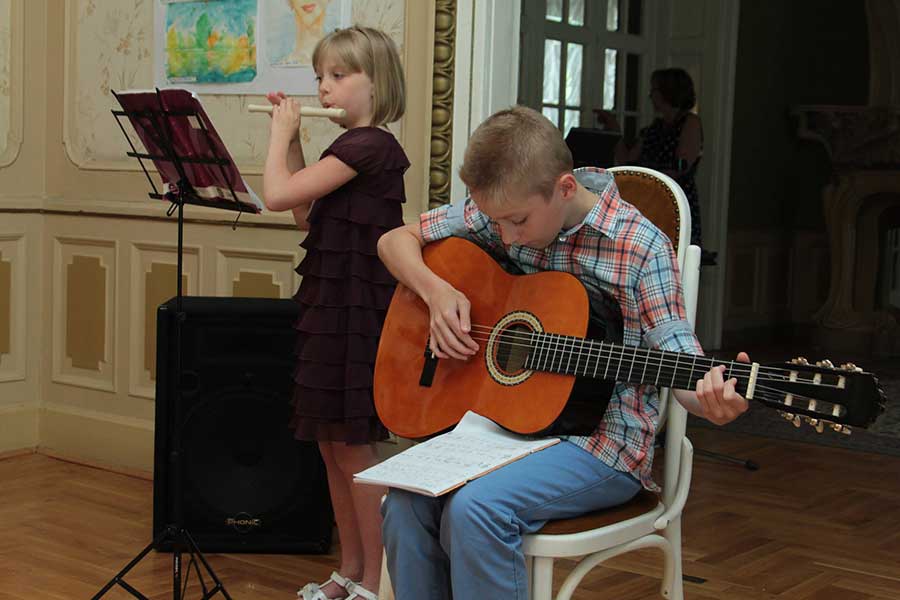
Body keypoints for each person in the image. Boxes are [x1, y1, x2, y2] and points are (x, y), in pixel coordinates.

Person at [376, 106, 748, 599]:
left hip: (602, 444)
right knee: (405, 502)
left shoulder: (640, 247)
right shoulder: (504, 206)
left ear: (565, 188)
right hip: (499, 429)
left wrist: (711, 399)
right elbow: (394, 241)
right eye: (496, 222)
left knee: (476, 509)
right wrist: (436, 292)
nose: (505, 236)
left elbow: (678, 355)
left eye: (517, 222)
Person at [262, 25, 408, 600]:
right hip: (330, 304)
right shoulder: (344, 149)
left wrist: (279, 135)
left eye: (339, 75)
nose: (324, 87)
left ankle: (375, 580)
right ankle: (349, 571)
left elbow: (276, 196)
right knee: (330, 445)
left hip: (358, 312)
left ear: (376, 83)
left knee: (352, 447)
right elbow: (304, 213)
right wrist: (295, 144)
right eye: (320, 76)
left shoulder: (370, 146)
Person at [600, 68, 706, 254]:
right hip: (646, 198)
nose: (651, 96)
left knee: (673, 252)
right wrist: (614, 129)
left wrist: (650, 179)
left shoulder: (690, 122)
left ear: (668, 91)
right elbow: (627, 160)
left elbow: (681, 166)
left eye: (654, 90)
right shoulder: (654, 128)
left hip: (672, 198)